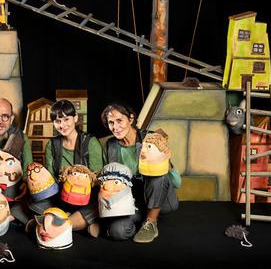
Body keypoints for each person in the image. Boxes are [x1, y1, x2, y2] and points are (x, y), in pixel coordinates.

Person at [100, 103, 180, 243]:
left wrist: (165, 160)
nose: (115, 127)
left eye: (119, 120)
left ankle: (151, 222)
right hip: (133, 202)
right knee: (118, 232)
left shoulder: (151, 139)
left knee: (158, 177)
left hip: (161, 199)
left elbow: (176, 182)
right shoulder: (110, 145)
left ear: (131, 119)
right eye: (111, 122)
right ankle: (139, 219)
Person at [43, 99, 104, 232]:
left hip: (86, 198)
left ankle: (58, 225)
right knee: (35, 201)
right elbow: (50, 178)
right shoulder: (52, 145)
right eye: (58, 121)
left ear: (75, 118)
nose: (62, 125)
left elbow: (97, 178)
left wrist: (77, 185)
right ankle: (80, 223)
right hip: (61, 197)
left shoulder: (90, 142)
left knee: (99, 204)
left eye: (66, 119)